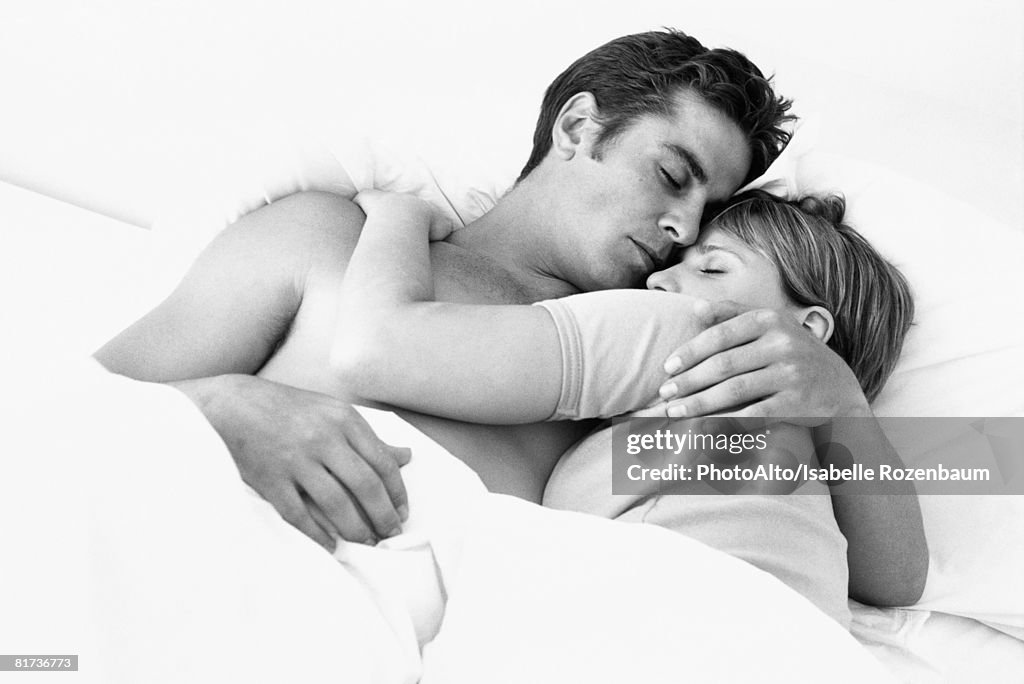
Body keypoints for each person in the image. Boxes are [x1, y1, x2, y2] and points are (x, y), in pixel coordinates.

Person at [94, 28, 923, 605]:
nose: (681, 227)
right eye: (673, 175)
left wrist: (842, 399)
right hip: (176, 562)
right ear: (577, 126)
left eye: (706, 216)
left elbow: (893, 575)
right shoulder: (327, 233)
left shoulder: (662, 357)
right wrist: (220, 405)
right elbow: (76, 401)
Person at [333, 187, 921, 623]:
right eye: (674, 266)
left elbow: (373, 349)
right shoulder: (822, 454)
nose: (659, 285)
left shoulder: (689, 335)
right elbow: (896, 583)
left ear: (807, 329)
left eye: (712, 268)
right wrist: (846, 408)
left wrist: (398, 213)